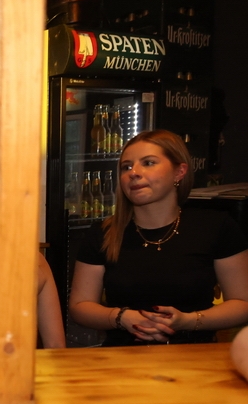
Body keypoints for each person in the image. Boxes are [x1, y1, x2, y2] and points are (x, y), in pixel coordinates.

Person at [70, 129, 248, 346]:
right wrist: (121, 317)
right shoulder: (103, 233)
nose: (134, 173)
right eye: (126, 167)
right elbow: (80, 306)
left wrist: (189, 321)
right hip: (121, 358)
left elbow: (242, 304)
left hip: (195, 357)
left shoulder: (216, 227)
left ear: (179, 172)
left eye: (148, 163)